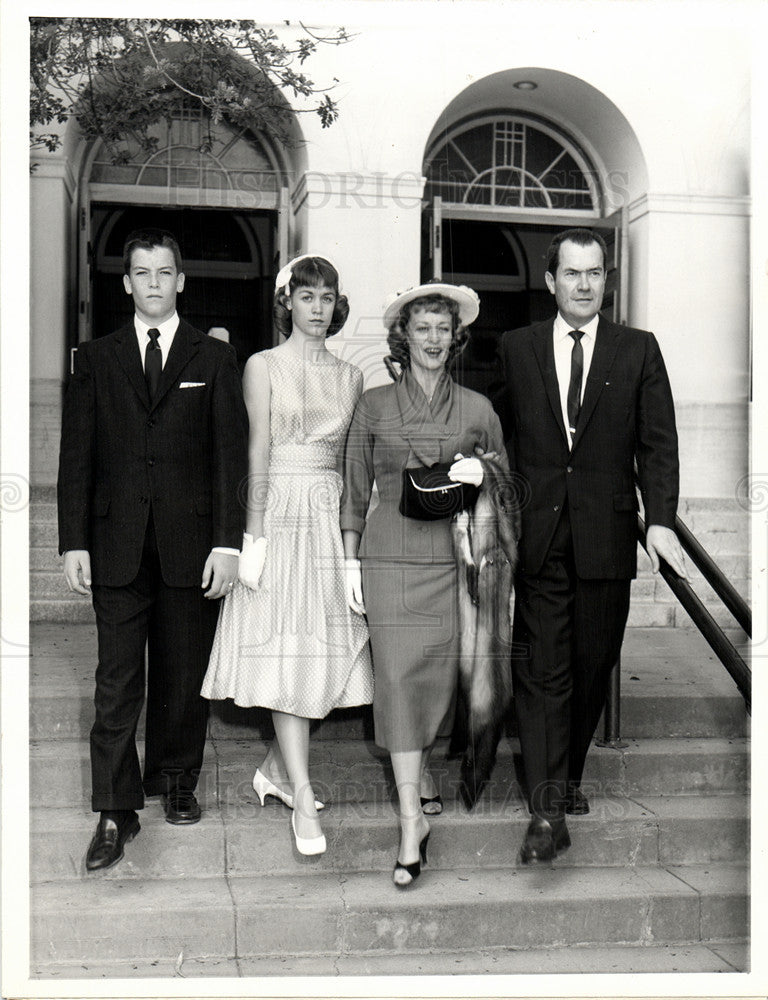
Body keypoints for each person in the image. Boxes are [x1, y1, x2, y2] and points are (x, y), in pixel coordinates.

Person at [491, 227, 688, 864]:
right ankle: (546, 811)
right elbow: (503, 434)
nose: (583, 284)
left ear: (607, 279)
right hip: (540, 538)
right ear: (550, 281)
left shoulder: (638, 350)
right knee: (541, 672)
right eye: (571, 273)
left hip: (606, 536)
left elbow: (658, 442)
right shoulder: (517, 348)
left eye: (594, 273)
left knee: (591, 665)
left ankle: (567, 778)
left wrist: (659, 519)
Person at [57, 228, 248, 872]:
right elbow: (75, 458)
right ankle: (115, 811)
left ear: (182, 280)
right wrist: (73, 542)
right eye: (142, 274)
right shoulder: (95, 358)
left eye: (165, 272)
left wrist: (228, 543)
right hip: (114, 544)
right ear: (126, 283)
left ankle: (177, 781)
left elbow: (229, 459)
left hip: (191, 543)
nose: (155, 284)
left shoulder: (215, 360)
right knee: (116, 680)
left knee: (181, 672)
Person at [202, 254, 373, 856]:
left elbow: (355, 470)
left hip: (327, 519)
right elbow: (257, 453)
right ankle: (301, 792)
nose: (318, 309)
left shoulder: (352, 378)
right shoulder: (261, 366)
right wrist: (252, 539)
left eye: (327, 298)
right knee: (283, 649)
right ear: (288, 304)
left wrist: (352, 551)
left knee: (322, 652)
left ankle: (276, 769)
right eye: (307, 297)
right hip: (276, 513)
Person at [341, 281, 507, 887]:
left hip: (454, 557)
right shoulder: (374, 404)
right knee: (398, 677)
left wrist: (484, 472)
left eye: (443, 329)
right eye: (423, 329)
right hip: (389, 555)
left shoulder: (479, 409)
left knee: (439, 680)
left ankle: (426, 771)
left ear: (455, 338)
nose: (433, 339)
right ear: (403, 338)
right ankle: (411, 821)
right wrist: (349, 562)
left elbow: (509, 489)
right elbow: (355, 487)